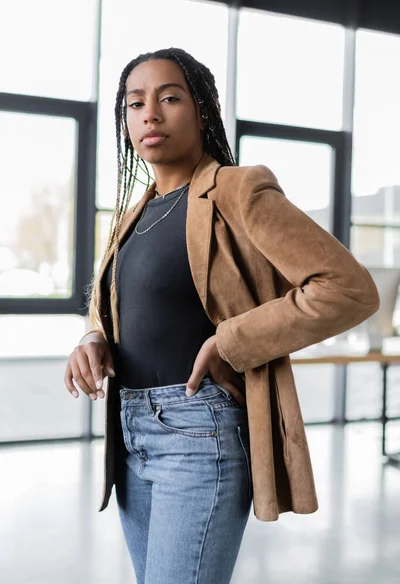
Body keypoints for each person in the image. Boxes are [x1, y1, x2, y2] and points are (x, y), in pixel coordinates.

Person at [64, 47, 380, 584]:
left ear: (202, 108)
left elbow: (348, 289)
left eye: (169, 97)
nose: (150, 115)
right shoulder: (136, 210)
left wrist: (230, 341)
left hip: (198, 431)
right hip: (131, 433)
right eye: (135, 103)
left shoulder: (237, 189)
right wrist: (95, 336)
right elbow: (121, 303)